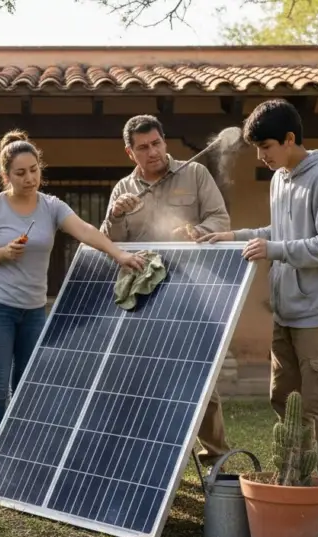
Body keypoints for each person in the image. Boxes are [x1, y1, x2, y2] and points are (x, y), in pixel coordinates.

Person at [198, 98, 318, 522]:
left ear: (289, 139)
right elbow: (278, 232)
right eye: (255, 149)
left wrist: (274, 250)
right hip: (286, 312)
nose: (261, 156)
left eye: (266, 146)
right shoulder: (281, 179)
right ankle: (300, 480)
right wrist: (236, 236)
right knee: (284, 399)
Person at [0, 129, 146, 447]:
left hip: (33, 309)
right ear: (6, 175)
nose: (30, 178)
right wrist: (2, 253)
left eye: (34, 170)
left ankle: (23, 448)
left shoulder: (51, 206)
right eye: (20, 173)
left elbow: (86, 230)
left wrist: (120, 254)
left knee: (27, 383)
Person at [99, 114, 234, 467]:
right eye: (143, 148)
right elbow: (109, 242)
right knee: (140, 374)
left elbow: (221, 220)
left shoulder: (195, 174)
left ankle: (216, 453)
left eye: (156, 143)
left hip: (189, 288)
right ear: (130, 153)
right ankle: (151, 456)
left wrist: (195, 231)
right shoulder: (122, 190)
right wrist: (114, 216)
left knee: (198, 372)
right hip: (143, 294)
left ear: (164, 141)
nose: (152, 152)